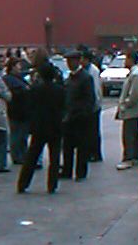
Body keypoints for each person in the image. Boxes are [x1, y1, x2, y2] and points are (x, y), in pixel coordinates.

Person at [17, 62, 65, 193]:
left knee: (32, 156)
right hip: (55, 126)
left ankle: (23, 183)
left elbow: (29, 107)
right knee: (54, 157)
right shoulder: (60, 90)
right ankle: (52, 184)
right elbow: (63, 107)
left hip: (39, 126)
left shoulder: (35, 90)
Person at [60, 51, 95, 180]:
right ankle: (67, 170)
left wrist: (81, 113)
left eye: (71, 61)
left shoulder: (86, 78)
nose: (69, 64)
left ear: (78, 61)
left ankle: (81, 172)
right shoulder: (69, 77)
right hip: (68, 118)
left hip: (80, 119)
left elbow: (89, 100)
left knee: (81, 147)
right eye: (68, 61)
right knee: (67, 146)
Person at [115, 52, 138, 170]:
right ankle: (134, 157)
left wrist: (125, 105)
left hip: (132, 110)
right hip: (133, 110)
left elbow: (134, 94)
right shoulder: (134, 73)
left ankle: (129, 158)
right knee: (134, 134)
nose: (125, 62)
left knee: (129, 135)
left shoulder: (136, 74)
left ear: (131, 59)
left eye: (126, 59)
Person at [3, 57, 31, 165]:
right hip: (16, 111)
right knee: (17, 135)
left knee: (23, 135)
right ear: (12, 67)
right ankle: (17, 156)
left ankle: (23, 155)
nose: (20, 67)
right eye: (18, 65)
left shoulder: (20, 78)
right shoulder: (9, 79)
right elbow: (15, 94)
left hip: (23, 111)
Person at [80, 50, 103, 162]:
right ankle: (89, 152)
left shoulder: (93, 70)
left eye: (82, 58)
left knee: (94, 131)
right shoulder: (84, 69)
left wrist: (95, 103)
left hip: (94, 105)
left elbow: (96, 88)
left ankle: (96, 153)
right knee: (88, 131)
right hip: (87, 105)